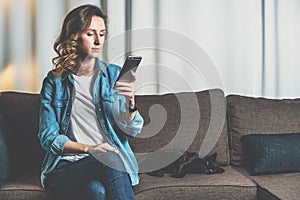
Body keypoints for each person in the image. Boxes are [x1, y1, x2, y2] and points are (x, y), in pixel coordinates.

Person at [38, 4, 144, 200]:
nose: (98, 41)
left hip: (110, 167)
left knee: (97, 192)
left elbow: (132, 130)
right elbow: (48, 137)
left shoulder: (113, 75)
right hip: (68, 166)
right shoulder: (54, 82)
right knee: (108, 157)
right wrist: (90, 149)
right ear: (74, 37)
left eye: (102, 34)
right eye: (90, 33)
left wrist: (131, 103)